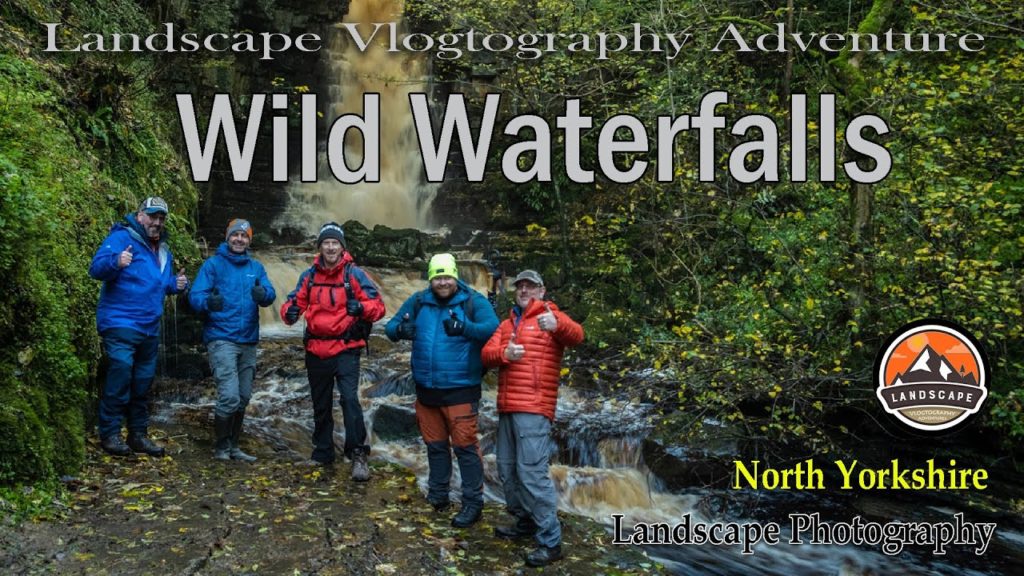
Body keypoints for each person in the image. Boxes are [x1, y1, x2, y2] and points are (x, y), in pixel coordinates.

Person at [385, 253, 500, 528]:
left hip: (461, 388)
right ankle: (438, 495)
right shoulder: (418, 301)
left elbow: (493, 329)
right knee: (435, 446)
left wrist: (464, 327)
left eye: (447, 276)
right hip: (426, 390)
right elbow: (389, 327)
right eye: (438, 277)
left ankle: (473, 503)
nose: (443, 282)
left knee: (465, 448)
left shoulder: (473, 301)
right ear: (431, 279)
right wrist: (402, 329)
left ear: (455, 277)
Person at [481, 269, 584, 567]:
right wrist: (505, 353)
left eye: (530, 286)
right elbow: (485, 355)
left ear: (542, 290)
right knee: (507, 469)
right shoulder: (507, 323)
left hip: (535, 408)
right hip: (507, 407)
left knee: (532, 474)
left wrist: (557, 323)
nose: (524, 290)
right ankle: (525, 522)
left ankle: (551, 542)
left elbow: (576, 335)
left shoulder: (551, 318)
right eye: (520, 286)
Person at [280, 222, 384, 481]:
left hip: (347, 348)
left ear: (342, 247)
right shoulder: (309, 276)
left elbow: (378, 306)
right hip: (316, 348)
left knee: (349, 399)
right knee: (320, 403)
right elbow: (292, 304)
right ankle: (323, 450)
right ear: (320, 247)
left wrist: (360, 309)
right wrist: (289, 313)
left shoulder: (354, 275)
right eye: (325, 243)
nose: (330, 247)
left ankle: (358, 453)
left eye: (334, 243)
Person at [88, 196, 189, 457]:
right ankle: (110, 434)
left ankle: (138, 434)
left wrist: (175, 286)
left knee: (142, 382)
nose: (156, 222)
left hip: (149, 326)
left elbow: (161, 284)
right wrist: (116, 262)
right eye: (152, 216)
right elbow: (96, 268)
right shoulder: (122, 238)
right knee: (121, 372)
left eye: (161, 218)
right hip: (120, 321)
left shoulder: (164, 250)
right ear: (140, 214)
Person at [189, 219, 276, 462]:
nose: (239, 239)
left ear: (249, 240)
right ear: (227, 238)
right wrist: (208, 303)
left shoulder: (256, 268)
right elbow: (196, 295)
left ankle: (234, 446)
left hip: (248, 340)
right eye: (235, 235)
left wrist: (264, 295)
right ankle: (221, 447)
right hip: (221, 338)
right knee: (229, 395)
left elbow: (270, 293)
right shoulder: (213, 265)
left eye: (244, 236)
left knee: (244, 396)